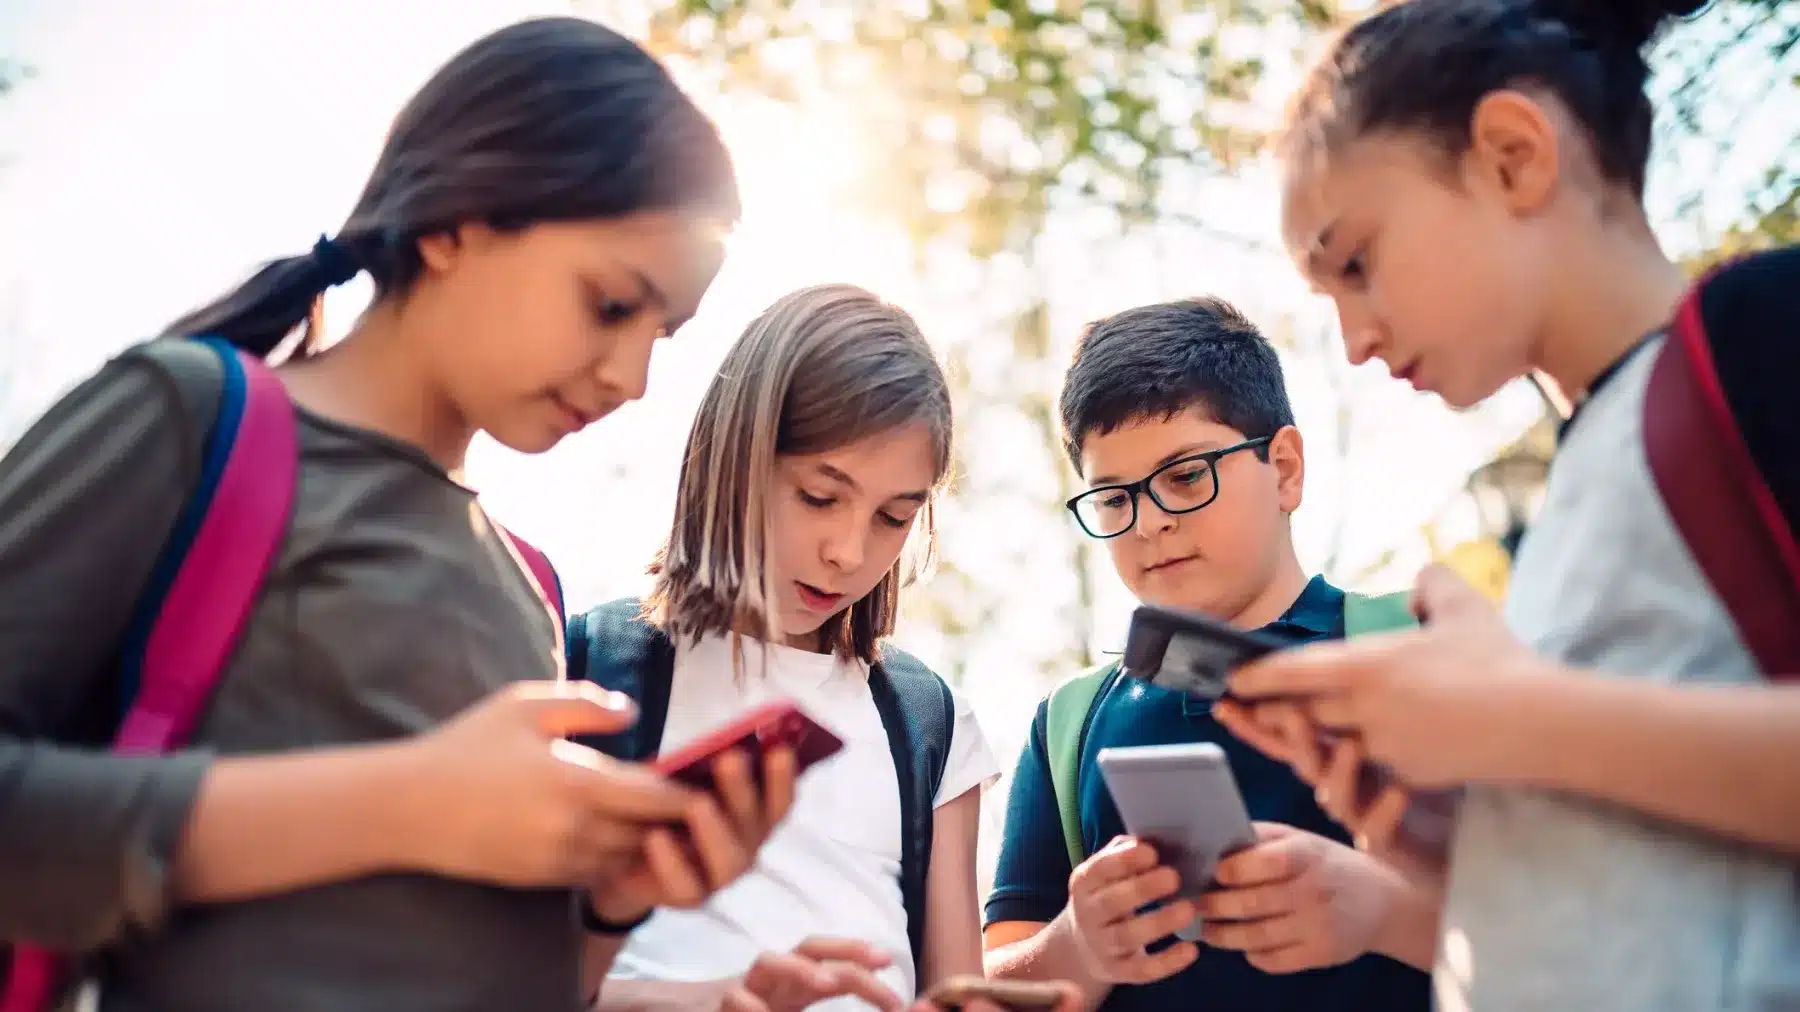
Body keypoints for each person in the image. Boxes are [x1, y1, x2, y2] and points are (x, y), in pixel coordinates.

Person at [0, 18, 790, 1012]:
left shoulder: (530, 587)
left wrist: (602, 908)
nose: (633, 377)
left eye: (663, 333)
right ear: (457, 221)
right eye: (608, 305)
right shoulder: (190, 418)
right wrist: (407, 803)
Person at [1220, 0, 1800, 1008]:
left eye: (1355, 261)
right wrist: (1464, 846)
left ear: (1511, 153)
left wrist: (1511, 721)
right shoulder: (1579, 480)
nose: (1353, 340)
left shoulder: (1760, 336)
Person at [981, 297, 1435, 1012]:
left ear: (1285, 469)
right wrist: (1078, 942)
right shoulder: (1067, 723)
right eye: (1112, 497)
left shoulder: (1417, 650)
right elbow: (990, 987)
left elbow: (1570, 924)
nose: (1152, 521)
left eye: (1187, 476)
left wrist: (1380, 907)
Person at [566, 284, 1010, 1012]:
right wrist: (720, 1000)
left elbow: (956, 991)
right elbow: (508, 982)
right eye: (818, 496)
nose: (848, 552)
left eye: (895, 518)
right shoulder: (590, 669)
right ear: (737, 456)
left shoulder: (928, 722)